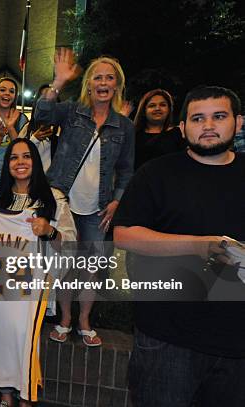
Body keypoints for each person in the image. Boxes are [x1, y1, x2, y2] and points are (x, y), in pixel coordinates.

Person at [113, 85, 245, 406]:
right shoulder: (157, 173)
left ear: (238, 123)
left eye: (219, 116)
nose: (208, 126)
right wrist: (202, 246)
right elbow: (124, 234)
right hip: (167, 337)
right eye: (198, 118)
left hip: (236, 342)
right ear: (183, 128)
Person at [36, 48, 135, 347]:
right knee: (65, 264)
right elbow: (41, 113)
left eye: (109, 78)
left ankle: (84, 320)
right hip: (63, 202)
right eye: (97, 77)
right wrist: (58, 81)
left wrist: (117, 201)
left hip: (98, 209)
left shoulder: (125, 126)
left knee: (91, 269)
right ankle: (65, 318)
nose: (103, 82)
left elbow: (127, 170)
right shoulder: (71, 111)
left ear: (116, 85)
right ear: (89, 84)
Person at [0, 138, 77, 406]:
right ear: (7, 164)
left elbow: (71, 243)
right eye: (13, 157)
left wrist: (49, 230)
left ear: (36, 161)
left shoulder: (53, 198)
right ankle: (6, 395)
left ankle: (26, 397)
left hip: (30, 283)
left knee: (24, 338)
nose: (20, 163)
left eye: (26, 157)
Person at [0, 77, 29, 185]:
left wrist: (10, 128)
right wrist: (0, 136)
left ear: (15, 96)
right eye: (2, 90)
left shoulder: (21, 119)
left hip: (13, 178)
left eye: (11, 91)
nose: (7, 93)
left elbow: (22, 151)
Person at [132, 88, 185, 169]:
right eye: (152, 105)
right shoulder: (133, 135)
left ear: (169, 109)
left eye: (162, 105)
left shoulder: (178, 134)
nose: (157, 108)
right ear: (144, 110)